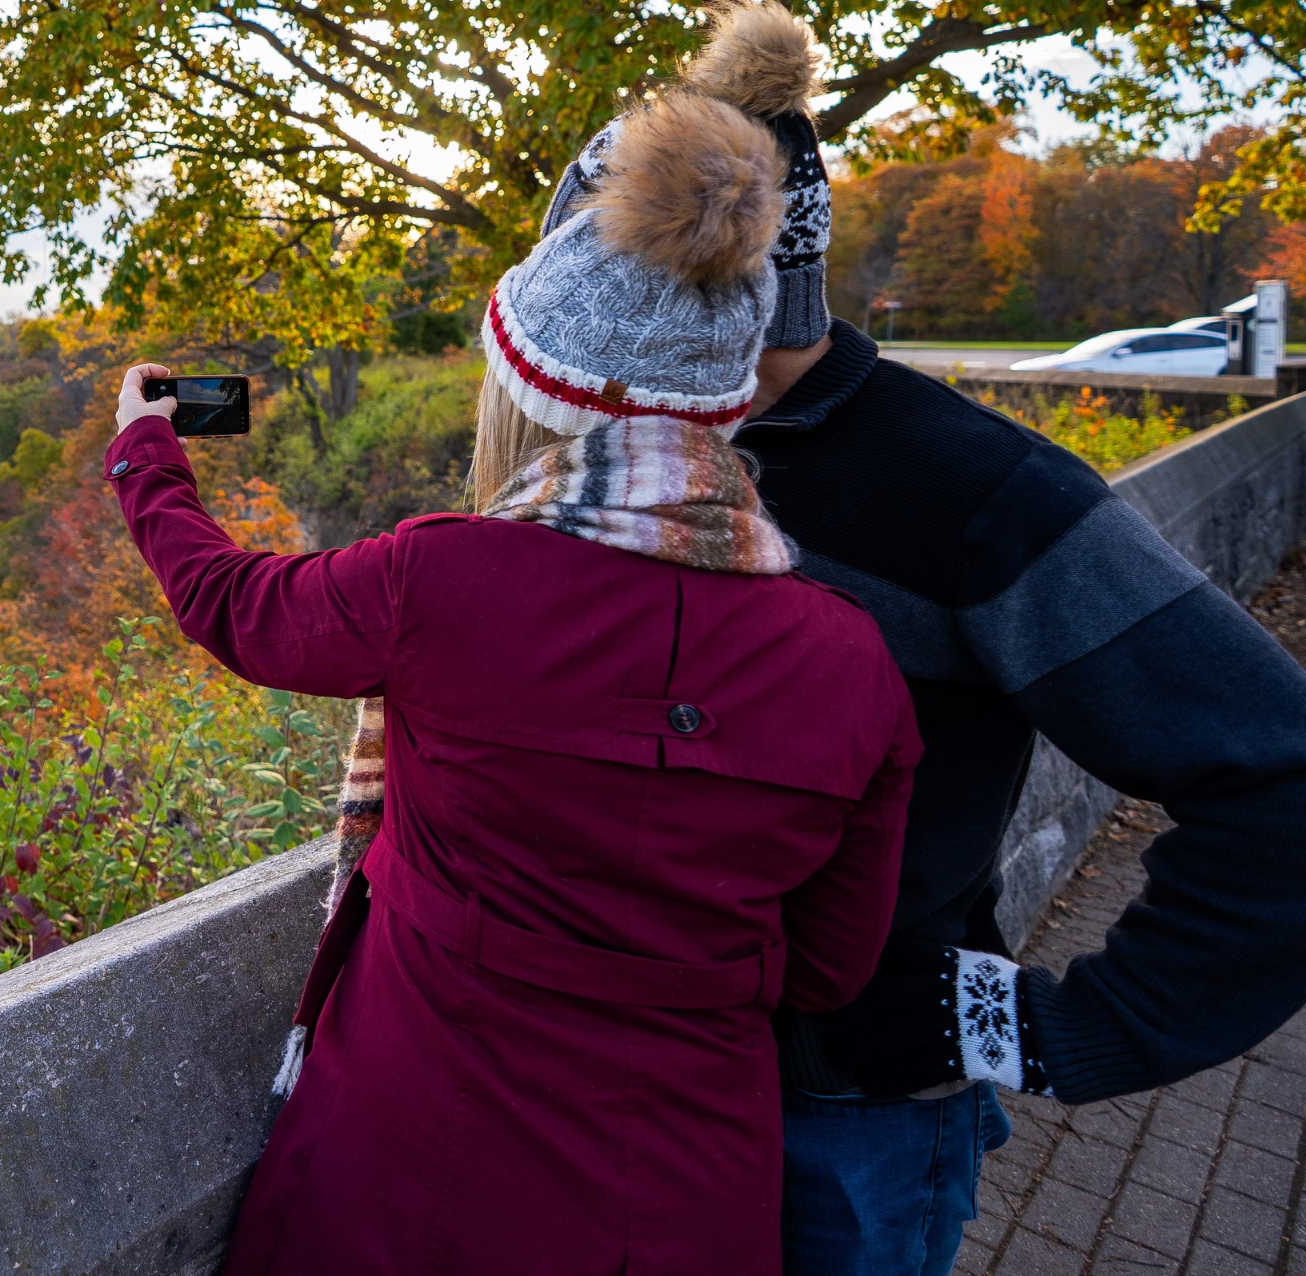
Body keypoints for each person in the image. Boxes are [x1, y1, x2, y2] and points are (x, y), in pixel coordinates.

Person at [545, 6, 1306, 1272]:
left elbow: (1304, 793)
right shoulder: (615, 456)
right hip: (612, 1091)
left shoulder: (975, 495)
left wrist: (1024, 1028)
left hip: (838, 1128)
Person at [108, 92, 921, 1273]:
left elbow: (234, 605)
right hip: (691, 1197)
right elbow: (830, 967)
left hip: (414, 1169)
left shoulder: (443, 583)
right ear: (724, 395)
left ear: (541, 387)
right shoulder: (850, 662)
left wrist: (148, 457)